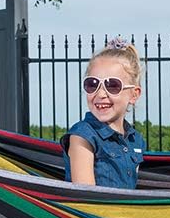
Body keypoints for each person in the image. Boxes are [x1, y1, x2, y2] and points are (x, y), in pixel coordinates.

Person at [63, 38, 146, 188]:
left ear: (134, 94)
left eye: (112, 85)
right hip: (95, 204)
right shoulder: (82, 136)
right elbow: (86, 194)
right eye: (92, 84)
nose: (100, 94)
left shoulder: (136, 140)